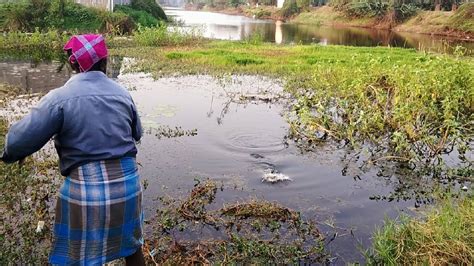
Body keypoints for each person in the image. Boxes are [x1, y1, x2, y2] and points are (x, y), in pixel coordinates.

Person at [0, 34, 145, 265]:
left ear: (72, 63)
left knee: (78, 257)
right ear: (105, 61)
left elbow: (17, 142)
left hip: (86, 192)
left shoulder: (59, 98)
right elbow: (137, 133)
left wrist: (8, 154)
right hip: (128, 187)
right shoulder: (123, 94)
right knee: (132, 247)